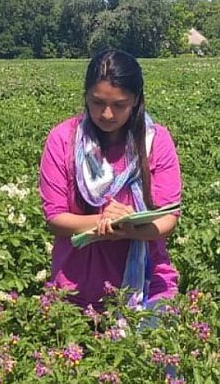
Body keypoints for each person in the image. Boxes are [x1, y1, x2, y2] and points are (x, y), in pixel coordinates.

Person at [38, 49, 182, 310]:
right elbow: (55, 218)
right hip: (76, 288)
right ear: (85, 96)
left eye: (119, 105)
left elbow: (168, 218)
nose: (106, 114)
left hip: (149, 286)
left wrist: (131, 228)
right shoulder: (62, 140)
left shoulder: (156, 142)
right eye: (97, 102)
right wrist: (106, 222)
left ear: (136, 100)